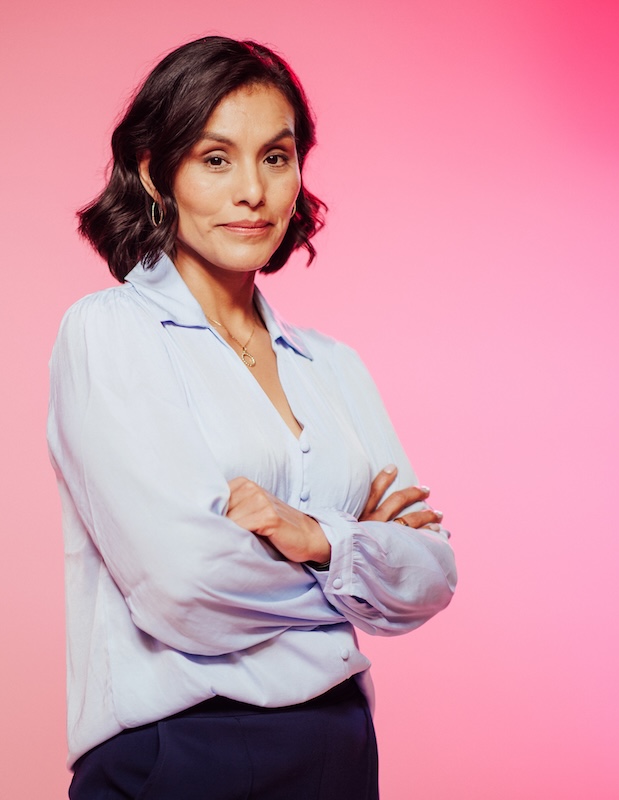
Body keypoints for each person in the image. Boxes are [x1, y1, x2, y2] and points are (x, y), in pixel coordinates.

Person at [47, 36, 457, 799]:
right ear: (153, 172)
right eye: (215, 159)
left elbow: (433, 576)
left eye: (276, 156)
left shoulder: (333, 366)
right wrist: (357, 561)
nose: (253, 192)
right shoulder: (110, 333)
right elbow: (185, 586)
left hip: (337, 745)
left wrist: (312, 536)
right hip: (183, 750)